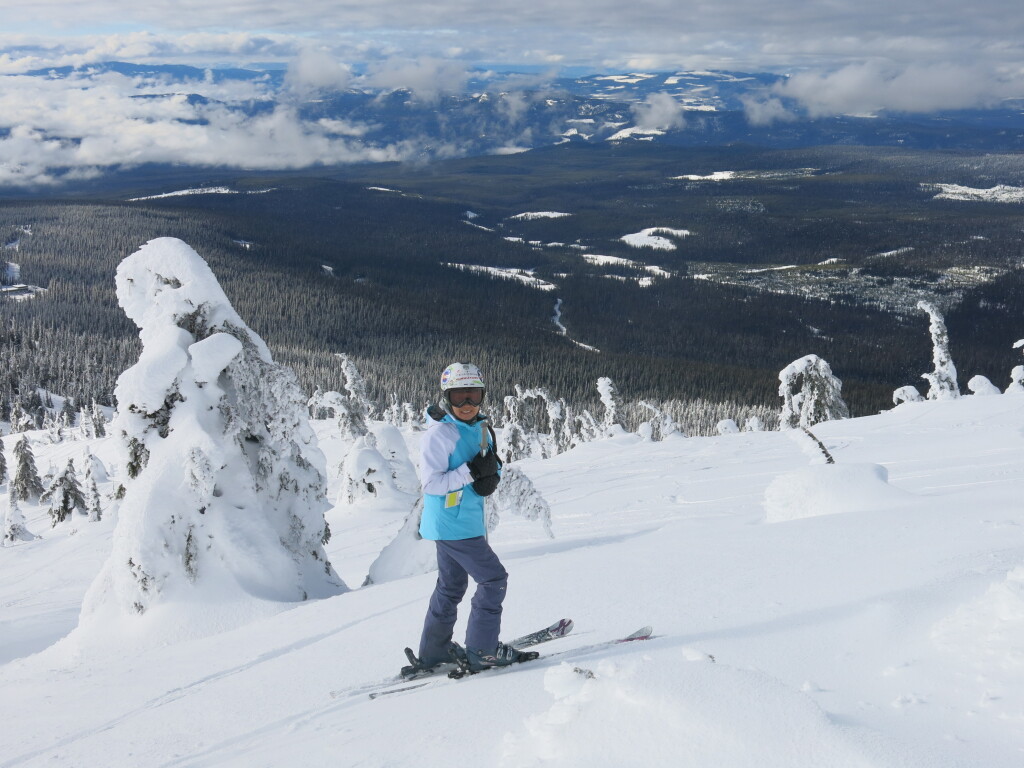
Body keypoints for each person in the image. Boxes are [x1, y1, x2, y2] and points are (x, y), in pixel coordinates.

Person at [414, 362, 528, 673]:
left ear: (482, 396)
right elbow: (431, 484)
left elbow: (488, 463)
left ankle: (434, 651)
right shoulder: (439, 435)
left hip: (460, 521)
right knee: (493, 579)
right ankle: (483, 650)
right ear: (446, 398)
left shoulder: (478, 427)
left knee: (451, 587)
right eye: (459, 397)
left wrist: (491, 473)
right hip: (454, 524)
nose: (467, 405)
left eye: (473, 396)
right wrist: (470, 473)